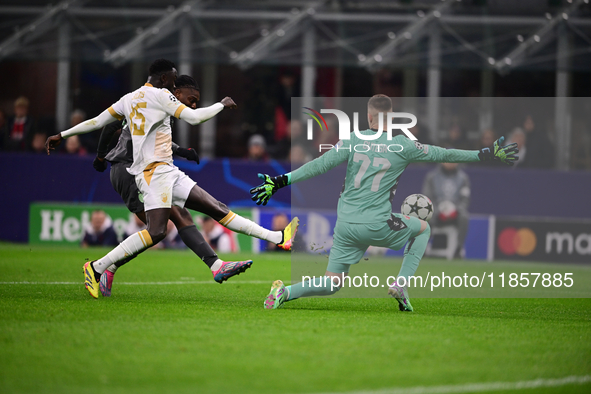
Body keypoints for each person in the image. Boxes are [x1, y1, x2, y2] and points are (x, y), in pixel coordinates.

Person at [45, 59, 298, 299]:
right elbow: (195, 118)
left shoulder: (129, 98)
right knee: (156, 231)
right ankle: (98, 266)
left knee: (216, 208)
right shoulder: (162, 95)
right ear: (164, 78)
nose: (174, 86)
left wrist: (62, 134)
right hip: (152, 174)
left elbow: (97, 121)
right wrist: (222, 104)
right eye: (173, 80)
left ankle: (277, 238)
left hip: (167, 171)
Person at [251, 94, 518, 311]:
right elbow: (443, 153)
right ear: (391, 117)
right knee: (423, 229)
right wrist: (484, 154)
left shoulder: (352, 139)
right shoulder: (403, 145)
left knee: (332, 283)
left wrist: (279, 181)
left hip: (345, 225)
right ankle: (401, 283)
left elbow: (318, 166)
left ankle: (283, 292)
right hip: (377, 224)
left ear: (369, 116)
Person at [90, 75, 249, 296]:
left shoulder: (162, 108)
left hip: (143, 170)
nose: (192, 105)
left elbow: (156, 142)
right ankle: (105, 266)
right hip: (129, 170)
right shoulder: (143, 102)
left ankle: (216, 265)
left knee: (178, 217)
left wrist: (182, 151)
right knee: (157, 229)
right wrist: (100, 156)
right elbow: (109, 126)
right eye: (191, 100)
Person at [422, 162, 471, 258]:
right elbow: (427, 197)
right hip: (436, 210)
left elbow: (465, 198)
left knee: (464, 217)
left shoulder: (463, 178)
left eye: (453, 160)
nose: (450, 163)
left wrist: (455, 210)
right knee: (426, 217)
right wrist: (438, 210)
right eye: (448, 160)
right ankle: (423, 248)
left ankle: (458, 249)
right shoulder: (432, 177)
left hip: (456, 212)